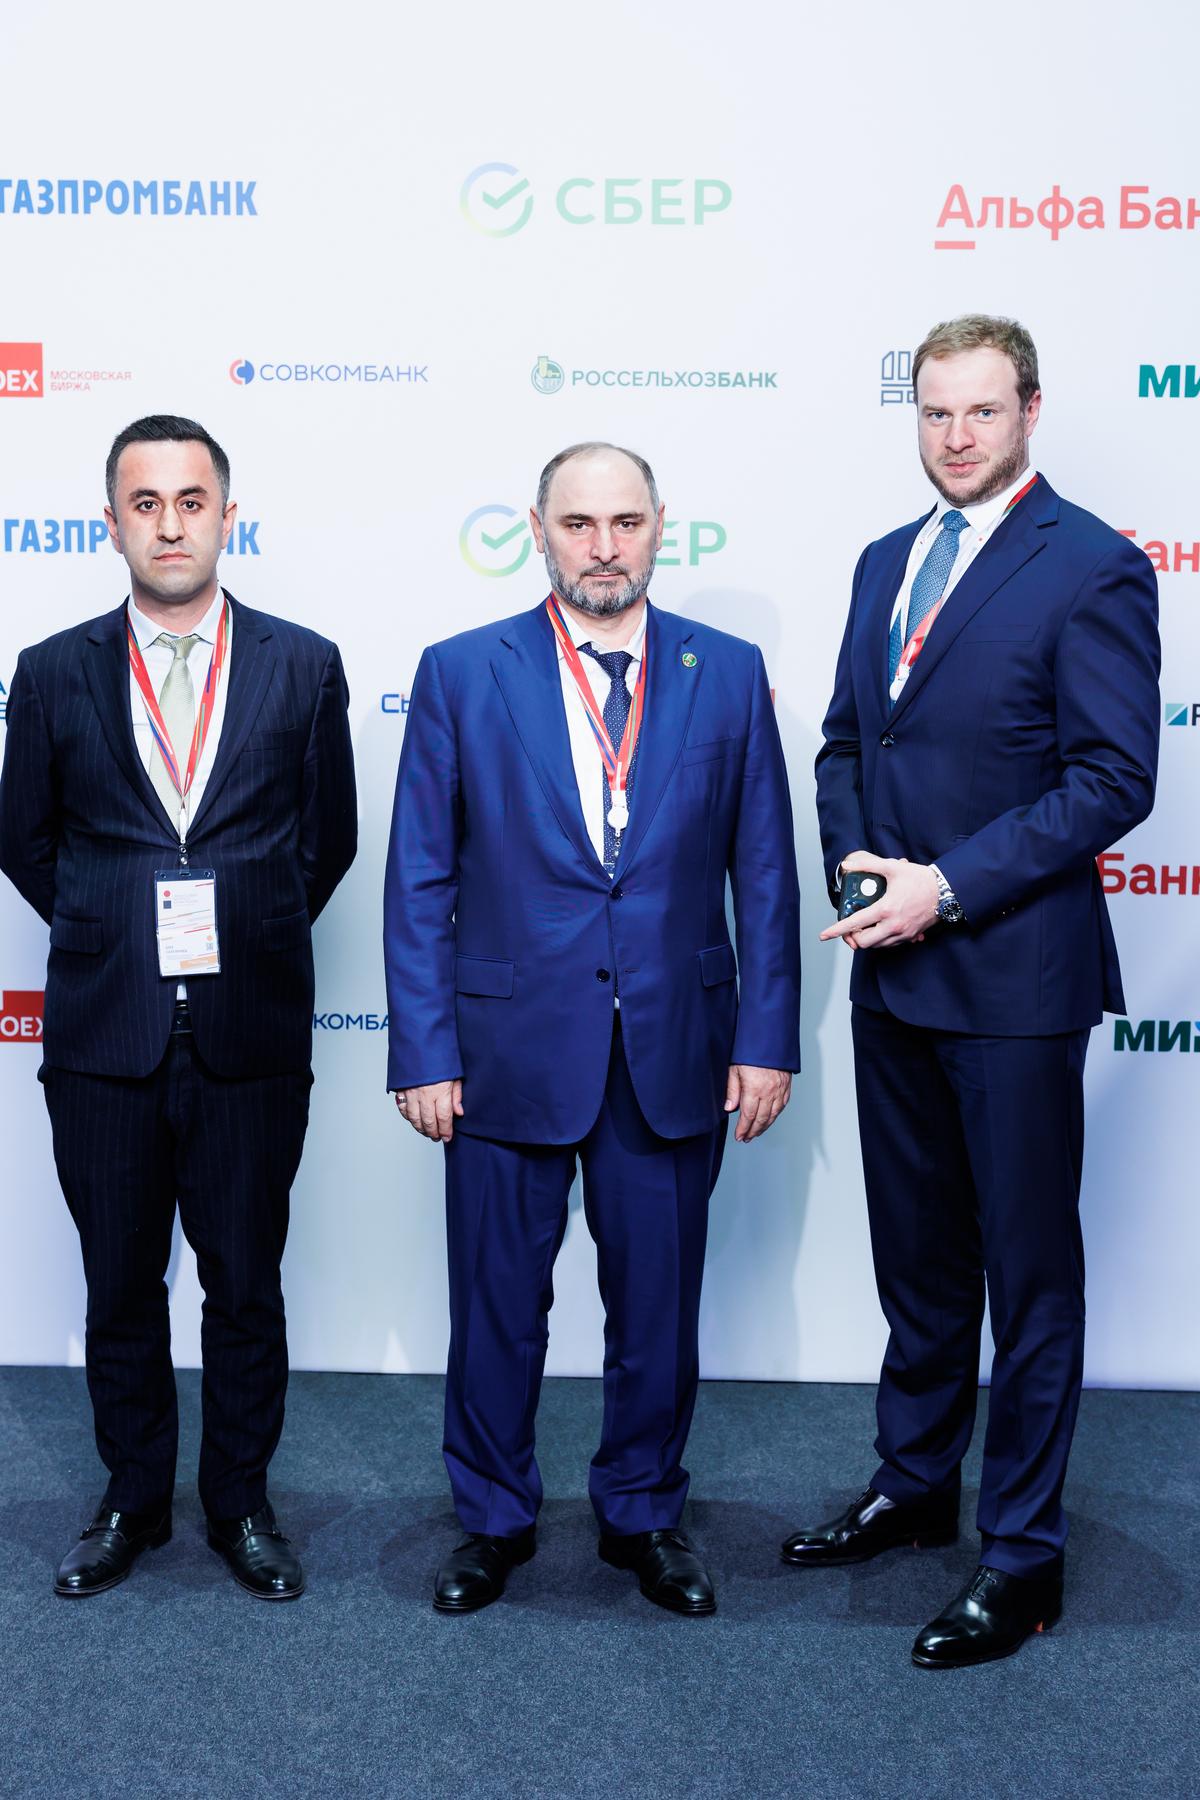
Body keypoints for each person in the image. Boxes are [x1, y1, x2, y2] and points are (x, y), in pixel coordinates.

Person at [789, 315, 1160, 1667]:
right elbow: (847, 743)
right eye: (936, 412)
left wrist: (943, 886)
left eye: (982, 412)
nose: (956, 437)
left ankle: (1022, 1556)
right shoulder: (885, 558)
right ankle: (914, 1484)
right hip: (891, 974)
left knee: (1028, 1275)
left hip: (1011, 980)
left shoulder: (1094, 564)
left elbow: (1114, 779)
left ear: (1031, 411)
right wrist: (858, 866)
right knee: (920, 1259)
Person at [385, 441, 801, 1616]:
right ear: (538, 531)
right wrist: (424, 1049)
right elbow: (419, 876)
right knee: (496, 1307)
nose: (604, 547)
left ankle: (643, 1513)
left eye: (625, 522)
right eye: (579, 524)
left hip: (674, 1049)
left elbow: (767, 874)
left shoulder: (728, 672)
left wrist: (766, 1038)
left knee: (657, 1310)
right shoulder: (463, 671)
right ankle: (492, 1519)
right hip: (504, 1050)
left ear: (661, 524)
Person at [0, 415, 357, 1601]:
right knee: (120, 1287)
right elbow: (25, 841)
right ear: (111, 524)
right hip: (106, 1036)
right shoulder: (51, 670)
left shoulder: (304, 664)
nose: (169, 525)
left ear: (226, 517)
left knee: (244, 1287)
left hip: (251, 1032)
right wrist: (112, 925)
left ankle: (240, 1504)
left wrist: (246, 922)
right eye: (145, 503)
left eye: (191, 501)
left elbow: (327, 843)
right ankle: (133, 1500)